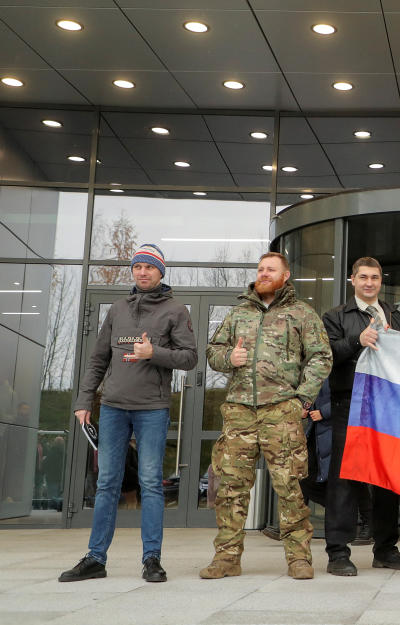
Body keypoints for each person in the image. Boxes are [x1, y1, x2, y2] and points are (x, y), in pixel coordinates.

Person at [60, 243, 197, 583]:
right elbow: (97, 359)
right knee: (107, 483)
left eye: (149, 267)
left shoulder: (176, 310)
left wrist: (155, 352)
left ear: (160, 272)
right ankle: (95, 558)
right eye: (137, 267)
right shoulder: (117, 309)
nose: (142, 272)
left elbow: (190, 357)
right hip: (112, 408)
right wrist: (83, 400)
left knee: (150, 483)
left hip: (152, 409)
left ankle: (152, 559)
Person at [200, 251, 332, 581]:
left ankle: (299, 558)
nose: (263, 273)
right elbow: (213, 353)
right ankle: (226, 558)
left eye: (271, 269)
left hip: (281, 413)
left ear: (285, 276)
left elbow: (321, 357)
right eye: (260, 269)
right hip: (240, 412)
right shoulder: (238, 313)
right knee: (231, 487)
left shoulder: (302, 314)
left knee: (289, 487)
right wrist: (231, 356)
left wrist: (301, 397)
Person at [321, 256, 400, 576]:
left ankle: (386, 549)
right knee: (345, 479)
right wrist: (356, 341)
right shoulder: (335, 317)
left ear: (380, 281)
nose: (369, 282)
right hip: (350, 404)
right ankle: (338, 552)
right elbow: (325, 357)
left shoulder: (397, 318)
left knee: (388, 478)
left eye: (374, 277)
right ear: (352, 280)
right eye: (363, 277)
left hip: (388, 406)